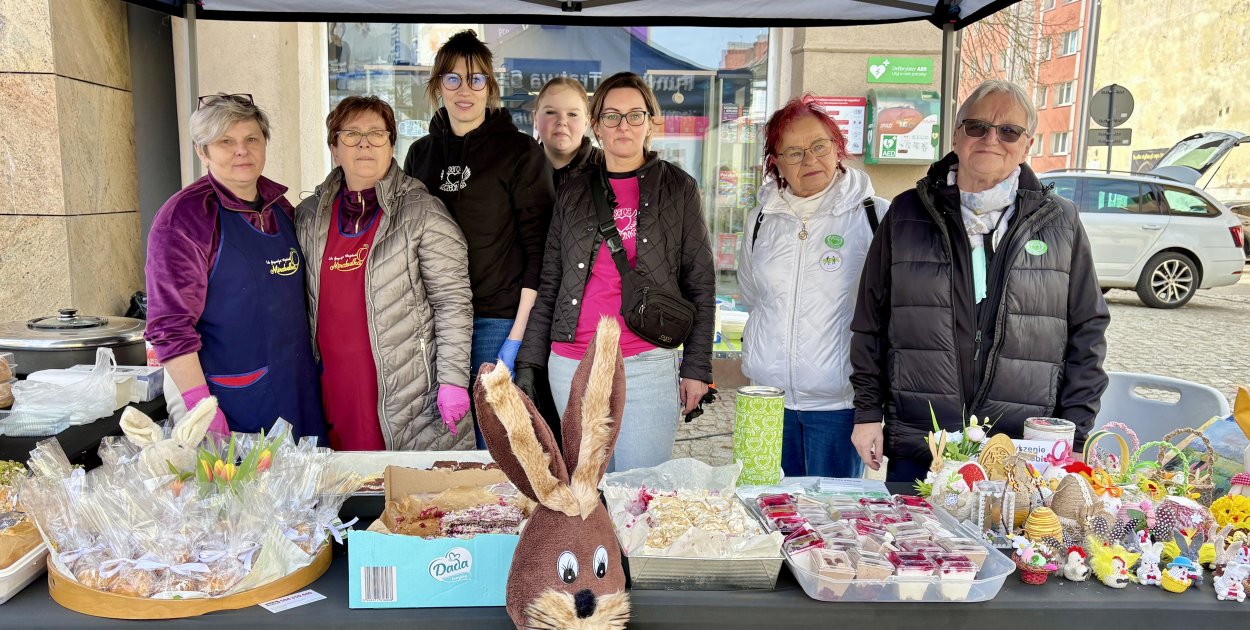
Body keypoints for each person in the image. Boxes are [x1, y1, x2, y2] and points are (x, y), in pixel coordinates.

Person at [849, 80, 1109, 482]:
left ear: (1027, 145)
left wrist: (1075, 433)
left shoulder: (1061, 222)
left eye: (1009, 131)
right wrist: (867, 413)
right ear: (956, 135)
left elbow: (1087, 334)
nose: (991, 139)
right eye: (977, 126)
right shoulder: (906, 214)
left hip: (1021, 453)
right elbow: (871, 322)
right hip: (922, 443)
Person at [517, 71, 716, 471]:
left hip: (645, 362)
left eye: (634, 115)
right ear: (597, 126)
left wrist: (697, 367)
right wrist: (529, 363)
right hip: (572, 363)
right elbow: (551, 280)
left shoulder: (678, 188)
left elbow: (700, 281)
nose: (623, 125)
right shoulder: (573, 191)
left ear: (650, 123)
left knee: (640, 487)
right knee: (585, 490)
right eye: (612, 116)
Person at [402, 30, 554, 447]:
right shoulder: (421, 155)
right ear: (438, 85)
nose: (464, 90)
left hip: (496, 322)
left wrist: (517, 336)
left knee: (498, 449)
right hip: (433, 322)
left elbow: (539, 249)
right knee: (440, 448)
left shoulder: (520, 152)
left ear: (490, 86)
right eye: (452, 78)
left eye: (475, 79)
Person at [295, 96, 474, 451]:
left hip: (408, 395)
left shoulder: (423, 213)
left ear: (392, 145)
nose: (364, 143)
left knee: (402, 483)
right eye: (351, 134)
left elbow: (452, 303)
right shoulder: (308, 216)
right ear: (334, 148)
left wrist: (453, 381)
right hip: (333, 390)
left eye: (377, 134)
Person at [145, 93, 325, 441]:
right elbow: (169, 326)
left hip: (296, 387)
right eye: (226, 142)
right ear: (202, 152)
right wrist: (201, 407)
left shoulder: (281, 208)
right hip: (226, 395)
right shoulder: (184, 219)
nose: (241, 151)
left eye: (251, 139)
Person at [737, 95, 888, 479]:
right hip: (766, 402)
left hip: (839, 406)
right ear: (775, 163)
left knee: (830, 513)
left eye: (819, 146)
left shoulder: (875, 216)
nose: (809, 160)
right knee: (764, 506)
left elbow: (889, 311)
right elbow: (752, 294)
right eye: (793, 152)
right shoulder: (760, 220)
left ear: (838, 148)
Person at [533, 76, 603, 191]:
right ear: (535, 119)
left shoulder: (610, 168)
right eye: (551, 112)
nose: (561, 121)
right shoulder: (517, 170)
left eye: (572, 114)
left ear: (586, 122)